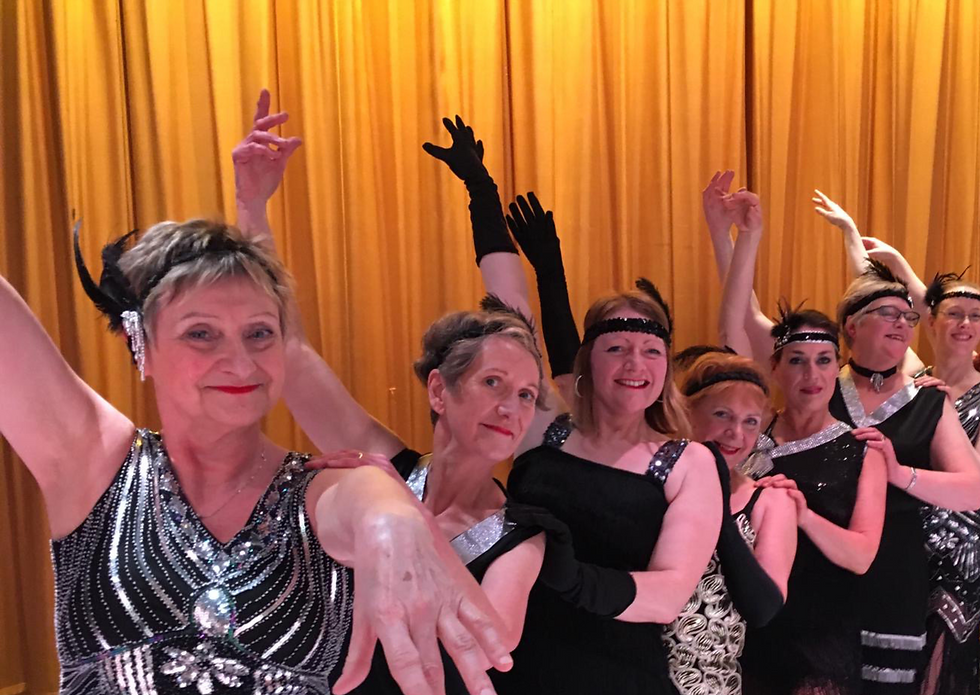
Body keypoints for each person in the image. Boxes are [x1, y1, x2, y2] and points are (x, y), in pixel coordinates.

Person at [0, 203, 514, 694]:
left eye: (259, 334)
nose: (241, 363)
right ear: (142, 345)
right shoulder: (95, 463)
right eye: (201, 333)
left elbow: (361, 501)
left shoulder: (320, 486)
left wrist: (391, 519)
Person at [232, 91, 548, 695]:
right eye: (493, 383)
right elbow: (290, 354)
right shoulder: (385, 463)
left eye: (528, 395)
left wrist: (400, 516)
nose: (512, 406)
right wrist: (252, 207)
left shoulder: (521, 535)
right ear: (439, 390)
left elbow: (488, 643)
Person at [422, 115, 724, 694]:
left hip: (615, 674)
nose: (635, 365)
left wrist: (567, 573)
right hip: (515, 657)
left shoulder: (688, 463)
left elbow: (668, 594)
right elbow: (510, 308)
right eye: (616, 349)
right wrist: (481, 195)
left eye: (651, 351)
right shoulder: (546, 429)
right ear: (588, 360)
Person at [675, 350, 797, 694]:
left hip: (713, 682)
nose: (735, 433)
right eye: (721, 415)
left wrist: (716, 504)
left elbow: (762, 608)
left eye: (750, 422)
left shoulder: (771, 499)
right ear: (688, 413)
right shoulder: (655, 489)